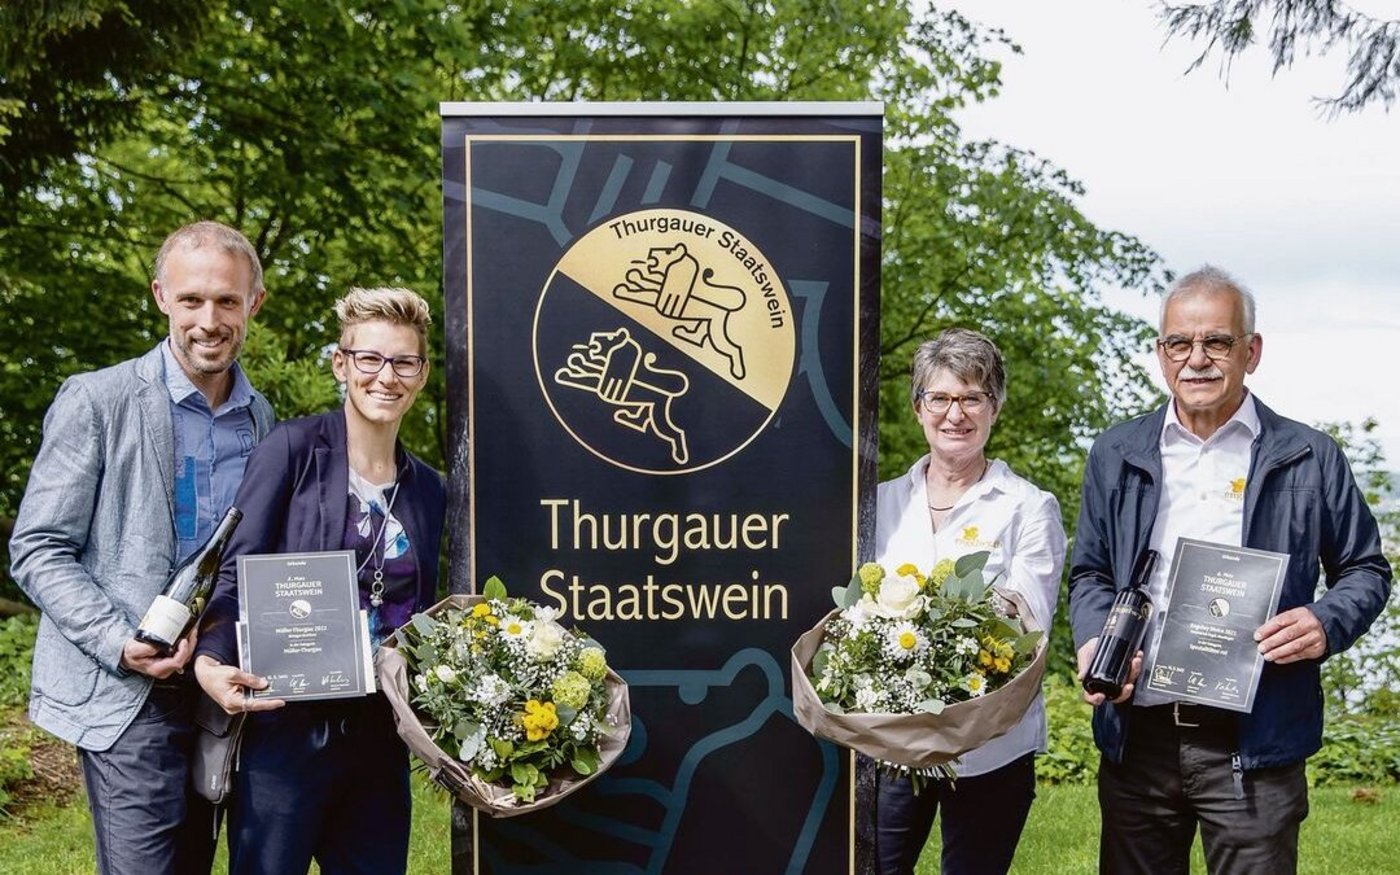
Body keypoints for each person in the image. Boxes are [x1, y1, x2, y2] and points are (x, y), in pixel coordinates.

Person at [1068, 266, 1392, 874]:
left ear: (1251, 351)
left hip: (1255, 742)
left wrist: (1325, 622)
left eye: (1216, 341)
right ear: (1161, 356)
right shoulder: (1117, 452)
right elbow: (1089, 572)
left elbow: (1366, 569)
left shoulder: (1309, 456)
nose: (1197, 360)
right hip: (1139, 737)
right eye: (1179, 344)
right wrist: (1092, 640)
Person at [9, 221, 272, 874]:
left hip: (217, 689)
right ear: (161, 296)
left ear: (254, 304)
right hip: (126, 690)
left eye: (226, 301)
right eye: (191, 299)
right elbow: (38, 547)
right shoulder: (97, 401)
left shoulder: (263, 420)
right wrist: (117, 639)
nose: (208, 320)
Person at [193, 286, 446, 875]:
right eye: (370, 359)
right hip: (284, 731)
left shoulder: (430, 489)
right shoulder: (292, 450)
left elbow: (426, 611)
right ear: (341, 363)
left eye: (404, 362)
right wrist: (209, 660)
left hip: (381, 735)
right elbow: (236, 570)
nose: (387, 377)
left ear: (422, 373)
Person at [874, 328, 1066, 875]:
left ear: (994, 408)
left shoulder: (1029, 507)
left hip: (992, 746)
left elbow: (1025, 621)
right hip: (893, 742)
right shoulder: (879, 504)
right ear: (918, 408)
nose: (955, 414)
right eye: (940, 398)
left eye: (972, 397)